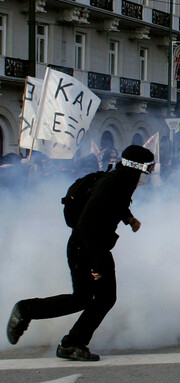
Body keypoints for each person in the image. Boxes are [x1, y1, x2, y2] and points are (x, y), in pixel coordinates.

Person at [6, 145, 156, 361]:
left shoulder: (121, 181)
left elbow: (113, 205)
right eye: (148, 169)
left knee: (87, 298)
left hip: (89, 246)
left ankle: (36, 317)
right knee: (100, 298)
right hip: (86, 246)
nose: (149, 174)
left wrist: (128, 218)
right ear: (136, 167)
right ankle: (64, 338)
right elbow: (86, 223)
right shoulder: (113, 183)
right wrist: (97, 262)